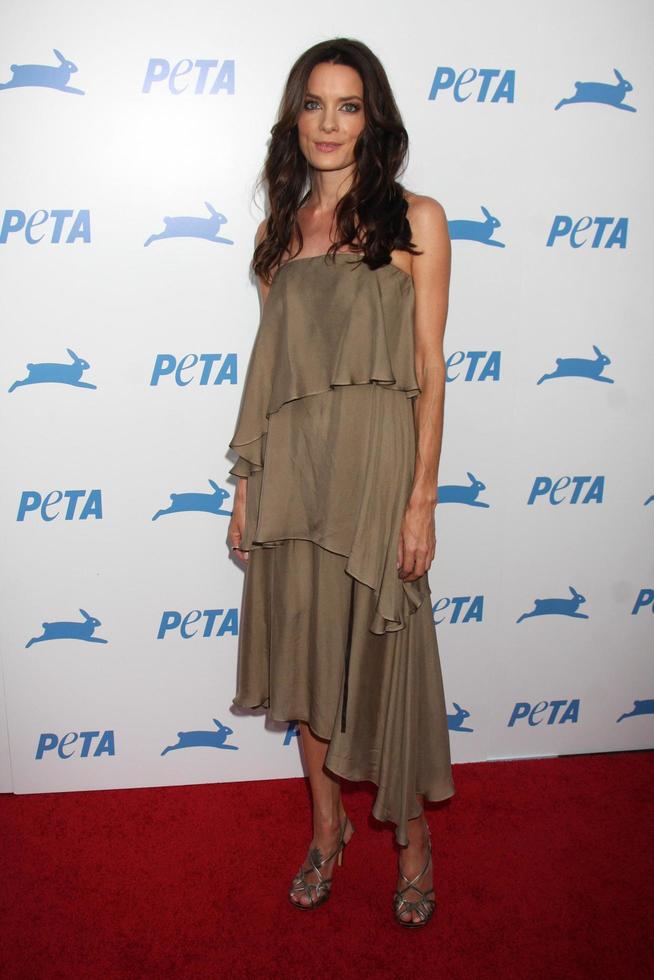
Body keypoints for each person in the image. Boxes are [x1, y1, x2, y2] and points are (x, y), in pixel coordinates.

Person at [227, 37, 455, 928]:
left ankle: (412, 840)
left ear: (374, 117)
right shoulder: (277, 233)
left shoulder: (416, 220)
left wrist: (422, 497)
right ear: (295, 117)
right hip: (296, 475)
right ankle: (328, 830)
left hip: (374, 473)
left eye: (348, 105)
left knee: (386, 655)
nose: (329, 123)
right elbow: (272, 372)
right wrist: (249, 489)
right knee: (308, 656)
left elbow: (430, 367)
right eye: (314, 104)